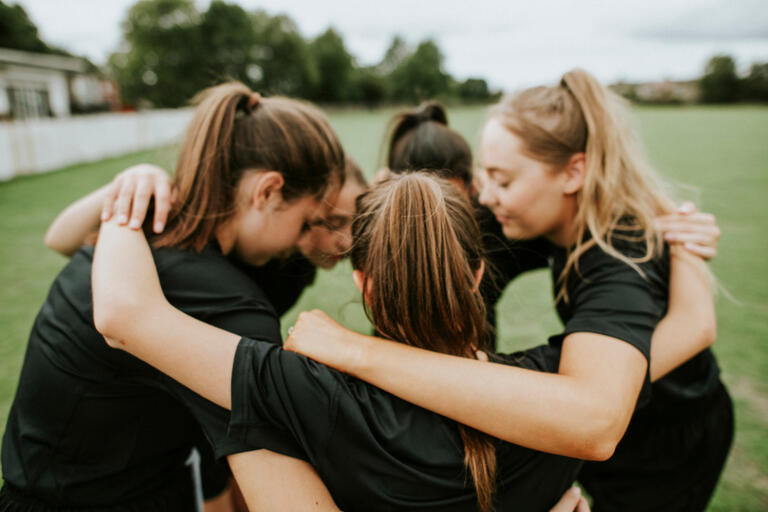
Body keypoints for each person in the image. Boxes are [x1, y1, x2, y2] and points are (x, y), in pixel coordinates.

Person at [92, 171, 714, 512]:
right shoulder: (559, 394)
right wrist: (684, 242)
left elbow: (124, 313)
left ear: (361, 281)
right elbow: (687, 329)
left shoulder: (294, 387)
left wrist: (127, 198)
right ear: (476, 274)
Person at [283, 70, 733, 511]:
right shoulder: (542, 216)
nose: (486, 195)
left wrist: (358, 353)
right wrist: (393, 201)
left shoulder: (616, 256)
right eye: (484, 177)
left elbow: (682, 337)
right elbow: (411, 240)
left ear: (573, 172)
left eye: (503, 179)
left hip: (667, 440)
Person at [0, 81, 346, 511]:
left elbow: (63, 240)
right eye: (305, 221)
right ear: (268, 191)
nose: (300, 243)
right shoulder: (232, 310)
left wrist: (129, 188)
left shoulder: (132, 239)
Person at [382, 100, 721, 350]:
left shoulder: (511, 224)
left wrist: (679, 231)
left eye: (495, 182)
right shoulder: (393, 245)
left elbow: (600, 386)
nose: (483, 199)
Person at [45, 157, 368, 318]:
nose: (348, 240)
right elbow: (60, 239)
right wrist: (136, 177)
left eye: (356, 221)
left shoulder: (299, 266)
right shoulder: (197, 234)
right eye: (332, 222)